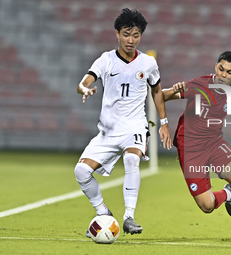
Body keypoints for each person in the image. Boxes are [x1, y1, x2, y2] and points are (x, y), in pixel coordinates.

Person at [74, 8, 172, 236]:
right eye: (126, 34)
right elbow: (84, 82)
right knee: (81, 171)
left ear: (141, 36)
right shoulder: (106, 60)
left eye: (136, 35)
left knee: (131, 159)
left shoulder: (148, 63)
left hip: (135, 127)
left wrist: (164, 122)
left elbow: (157, 92)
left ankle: (129, 216)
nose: (131, 40)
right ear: (117, 33)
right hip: (108, 131)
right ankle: (104, 214)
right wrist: (84, 89)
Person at [163, 51, 231, 245]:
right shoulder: (198, 85)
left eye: (229, 72)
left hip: (214, 143)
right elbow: (160, 95)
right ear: (216, 66)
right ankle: (227, 194)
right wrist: (174, 91)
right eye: (221, 69)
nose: (223, 75)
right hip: (190, 147)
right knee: (207, 206)